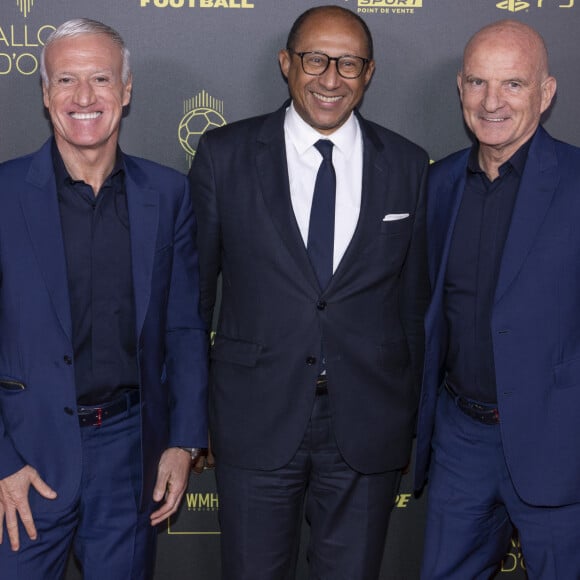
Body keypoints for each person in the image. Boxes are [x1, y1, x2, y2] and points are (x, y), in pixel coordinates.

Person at [188, 5, 429, 579]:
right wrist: (193, 421)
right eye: (315, 59)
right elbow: (192, 302)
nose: (330, 78)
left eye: (349, 63)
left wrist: (413, 422)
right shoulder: (224, 156)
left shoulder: (409, 164)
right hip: (253, 419)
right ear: (286, 64)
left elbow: (414, 305)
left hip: (368, 424)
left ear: (368, 74)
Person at [0, 18, 208, 580]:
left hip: (128, 449)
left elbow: (185, 329)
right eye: (66, 80)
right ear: (45, 94)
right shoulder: (3, 195)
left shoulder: (167, 195)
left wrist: (183, 442)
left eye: (100, 79)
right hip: (26, 450)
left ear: (127, 89)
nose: (84, 97)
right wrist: (3, 460)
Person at [414, 19, 580, 579]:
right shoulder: (437, 186)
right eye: (478, 83)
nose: (492, 102)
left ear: (546, 92)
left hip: (560, 445)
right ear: (460, 87)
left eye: (513, 84)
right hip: (460, 437)